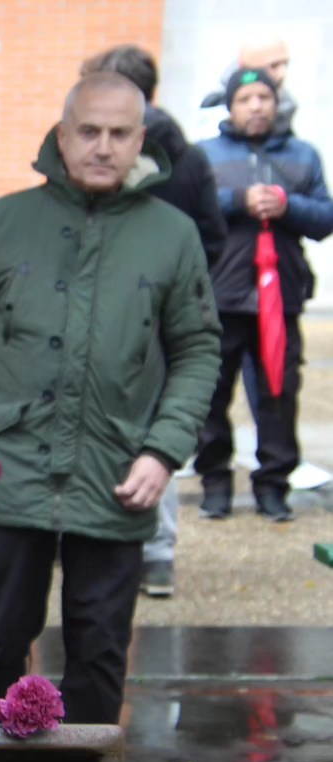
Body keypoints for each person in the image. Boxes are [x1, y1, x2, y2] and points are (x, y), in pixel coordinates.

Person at [0, 73, 221, 723]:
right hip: (6, 473)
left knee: (98, 653)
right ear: (61, 135)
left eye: (119, 133)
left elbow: (199, 351)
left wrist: (163, 450)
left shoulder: (171, 235)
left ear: (140, 140)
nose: (101, 146)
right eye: (87, 130)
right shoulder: (3, 223)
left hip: (118, 474)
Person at [81, 44, 228, 598]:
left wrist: (169, 281)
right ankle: (142, 548)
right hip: (116, 312)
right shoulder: (192, 158)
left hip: (155, 317)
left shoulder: (184, 161)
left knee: (157, 428)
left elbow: (208, 236)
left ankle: (156, 549)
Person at [194, 68, 333, 522]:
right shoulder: (205, 157)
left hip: (282, 299)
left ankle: (273, 486)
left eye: (264, 97)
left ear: (277, 104)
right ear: (229, 107)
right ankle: (214, 481)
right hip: (219, 298)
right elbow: (187, 212)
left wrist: (287, 205)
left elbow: (324, 218)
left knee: (279, 394)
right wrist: (238, 200)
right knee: (210, 396)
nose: (256, 106)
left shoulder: (302, 155)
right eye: (245, 98)